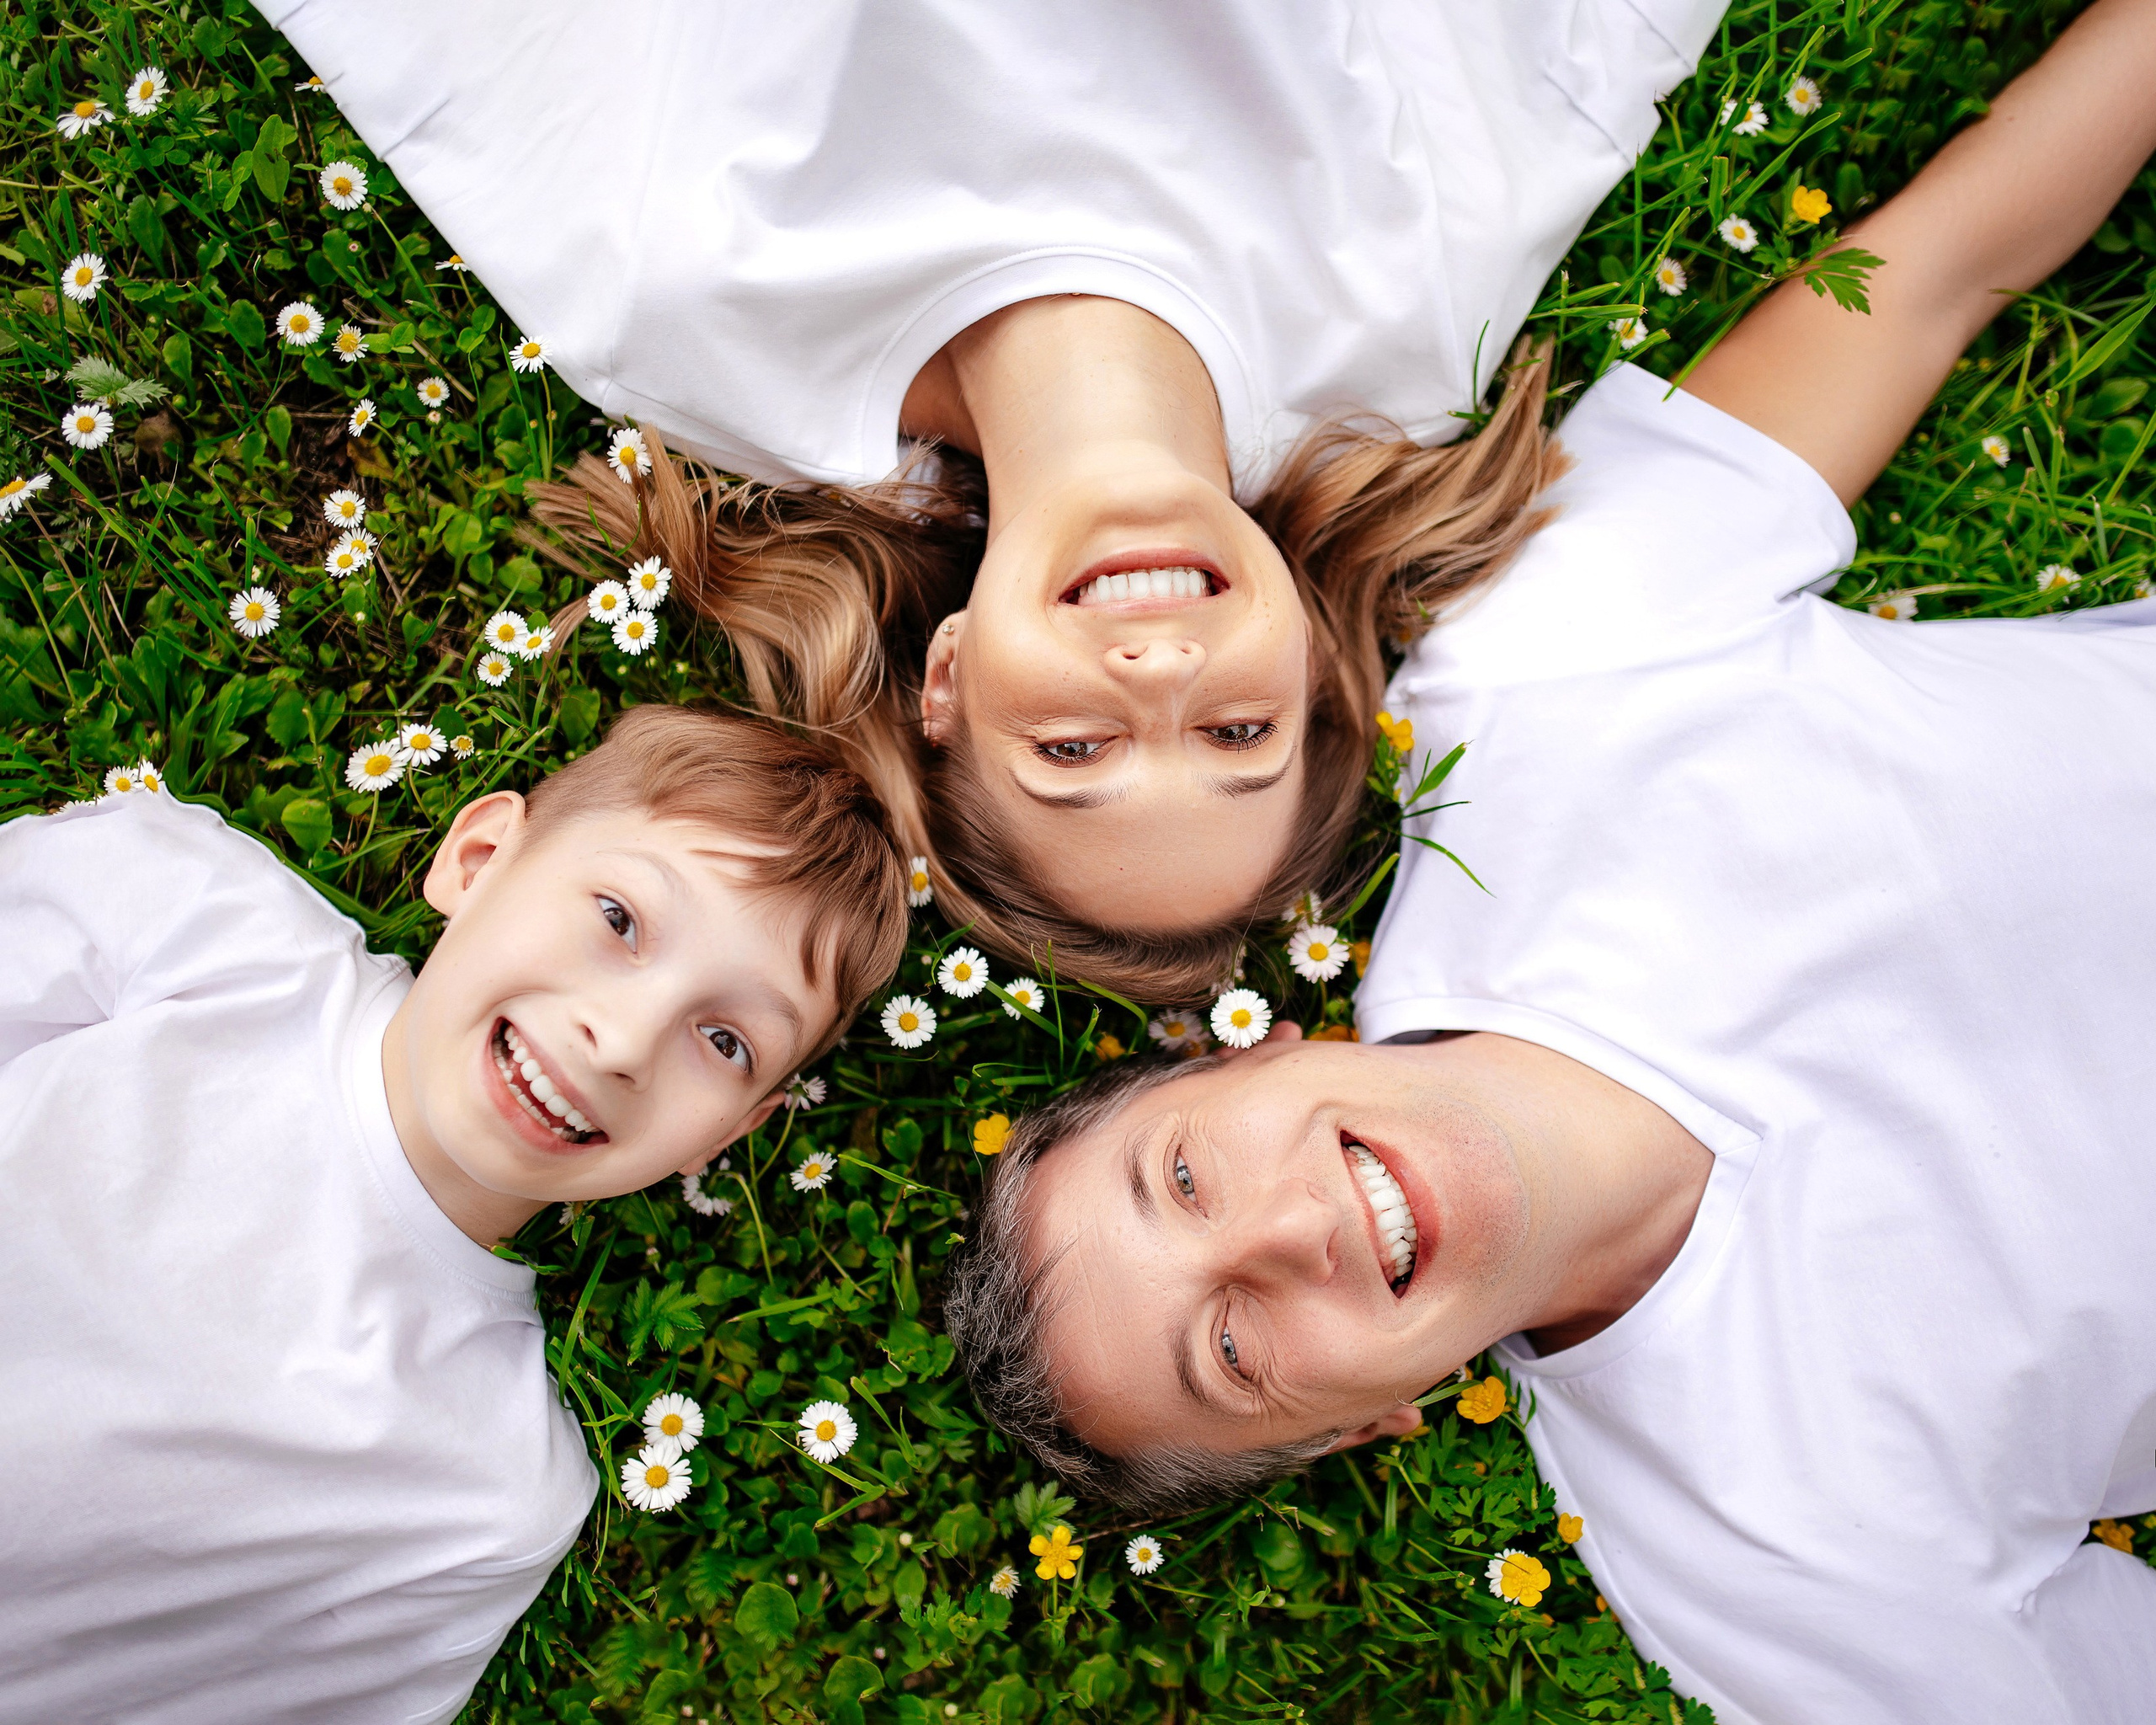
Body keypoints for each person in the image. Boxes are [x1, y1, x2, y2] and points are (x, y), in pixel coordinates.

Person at [942, 2, 2156, 1717]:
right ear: (1361, 1426)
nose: (1286, 1227)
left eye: (1189, 1177)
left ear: (1248, 1054)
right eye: (1231, 1348)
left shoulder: (1532, 685)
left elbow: (1939, 265)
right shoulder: (1770, 1564)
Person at [262, 0, 1729, 996]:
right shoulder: (1398, 328)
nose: (1161, 674)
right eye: (1239, 731)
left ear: (950, 678)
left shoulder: (697, 325)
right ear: (1305, 655)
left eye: (1076, 747)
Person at [0, 707, 906, 1722]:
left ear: (728, 1134)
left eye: (725, 1039)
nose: (623, 1041)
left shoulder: (493, 1491)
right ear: (478, 859)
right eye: (619, 918)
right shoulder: (189, 914)